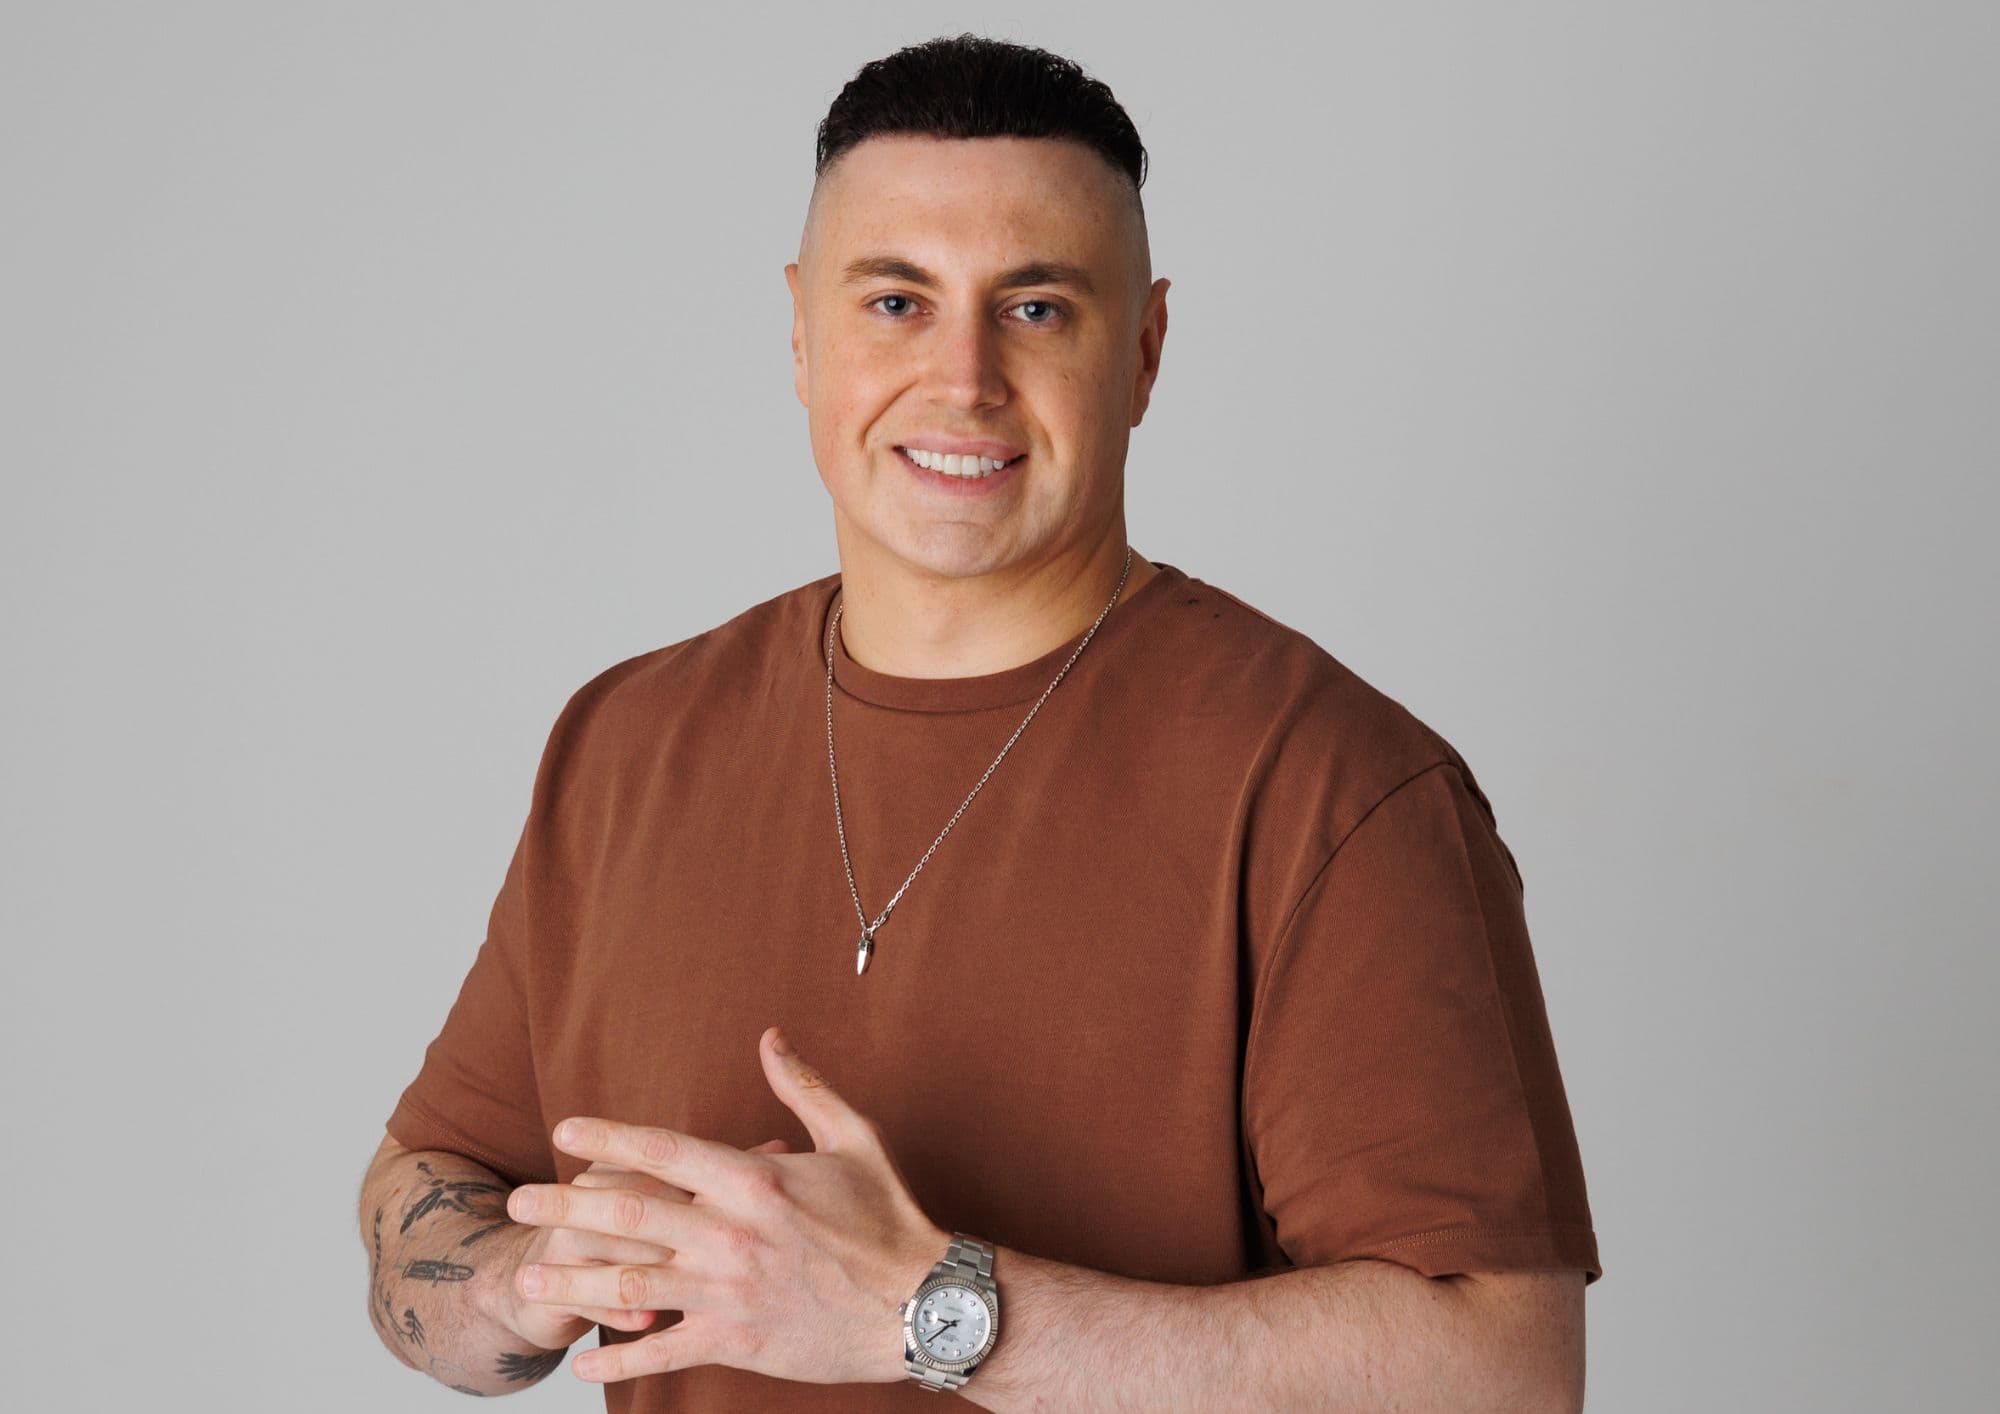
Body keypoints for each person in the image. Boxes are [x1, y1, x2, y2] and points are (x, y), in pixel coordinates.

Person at [357, 32, 1600, 1412]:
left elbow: (1505, 1373)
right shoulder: (626, 742)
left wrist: (931, 1312)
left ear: (1145, 350)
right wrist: (526, 1279)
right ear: (800, 331)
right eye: (896, 301)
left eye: (1037, 308)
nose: (963, 378)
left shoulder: (1332, 783)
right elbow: (425, 1180)